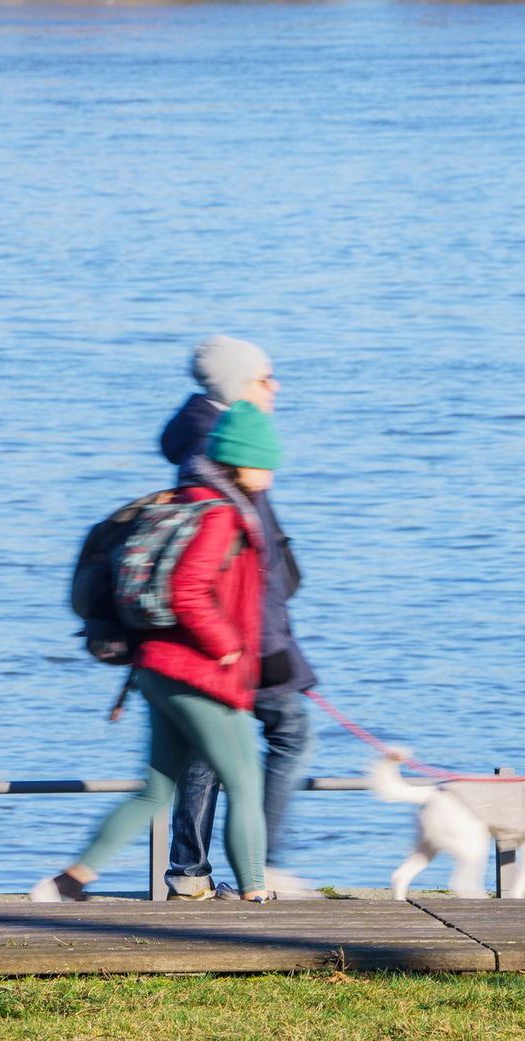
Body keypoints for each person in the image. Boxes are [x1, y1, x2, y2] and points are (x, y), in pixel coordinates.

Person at [33, 401, 281, 903]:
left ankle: (68, 882)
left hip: (157, 669)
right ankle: (256, 896)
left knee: (155, 790)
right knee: (247, 782)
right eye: (266, 462)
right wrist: (229, 648)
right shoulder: (220, 518)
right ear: (241, 461)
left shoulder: (179, 501)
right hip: (200, 673)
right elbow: (187, 591)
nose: (272, 474)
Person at [159, 335, 318, 900]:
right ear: (235, 387)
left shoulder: (202, 441)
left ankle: (190, 870)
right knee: (289, 734)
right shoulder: (226, 445)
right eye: (262, 377)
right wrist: (262, 648)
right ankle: (261, 865)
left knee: (207, 751)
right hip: (241, 638)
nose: (274, 387)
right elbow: (246, 568)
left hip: (227, 636)